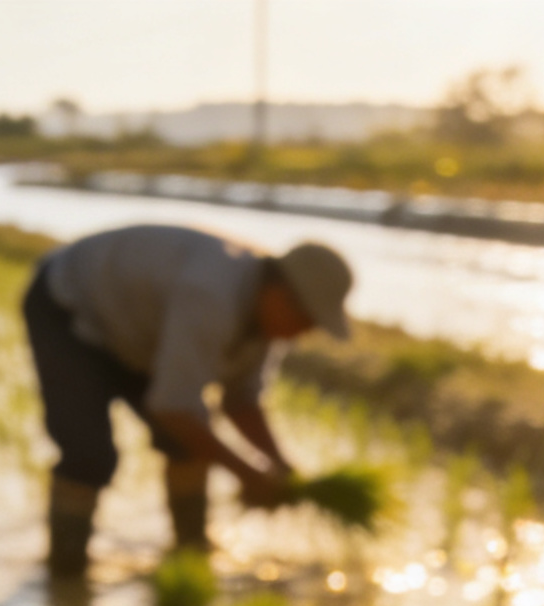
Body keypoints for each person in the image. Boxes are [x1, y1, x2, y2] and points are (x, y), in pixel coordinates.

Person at [21, 224, 352, 578]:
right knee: (90, 456)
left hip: (139, 335)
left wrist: (282, 468)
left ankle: (191, 559)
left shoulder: (263, 325)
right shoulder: (209, 296)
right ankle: (67, 580)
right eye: (306, 321)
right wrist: (248, 474)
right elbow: (174, 407)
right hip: (70, 307)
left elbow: (241, 401)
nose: (302, 335)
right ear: (280, 294)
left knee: (187, 445)